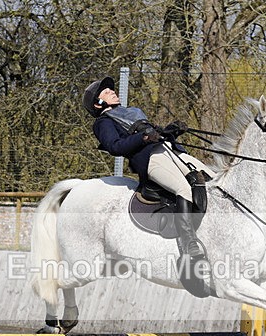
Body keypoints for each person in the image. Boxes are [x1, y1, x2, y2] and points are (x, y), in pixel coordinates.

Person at [82, 76, 214, 271]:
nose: (113, 91)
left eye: (112, 90)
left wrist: (172, 131)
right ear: (98, 103)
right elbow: (115, 146)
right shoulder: (103, 122)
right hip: (151, 159)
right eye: (107, 92)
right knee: (184, 189)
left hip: (171, 151)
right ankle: (189, 243)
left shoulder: (130, 112)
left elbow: (156, 134)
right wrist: (143, 138)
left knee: (211, 180)